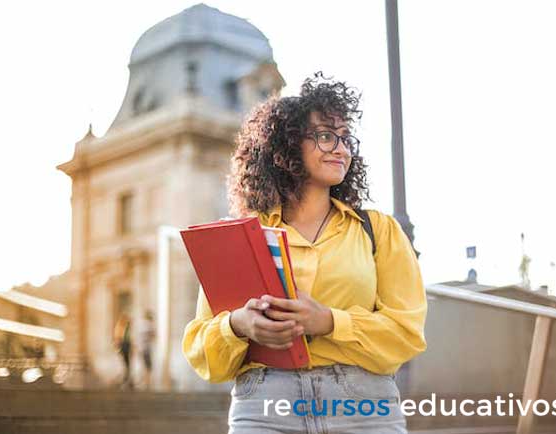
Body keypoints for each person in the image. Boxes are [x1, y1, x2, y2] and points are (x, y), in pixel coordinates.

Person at [182, 72, 428, 433]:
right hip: (265, 408)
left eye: (346, 138)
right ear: (287, 145)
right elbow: (203, 352)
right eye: (326, 136)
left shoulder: (378, 231)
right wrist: (239, 324)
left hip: (362, 407)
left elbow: (407, 334)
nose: (341, 148)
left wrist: (329, 321)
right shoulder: (241, 239)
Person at [113, 312, 133, 389]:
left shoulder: (126, 327)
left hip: (126, 346)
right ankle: (125, 378)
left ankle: (126, 378)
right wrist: (118, 347)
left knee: (127, 363)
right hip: (123, 345)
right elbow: (118, 338)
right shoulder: (120, 326)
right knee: (125, 363)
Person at [140, 310, 156, 390]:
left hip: (143, 348)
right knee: (148, 366)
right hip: (147, 348)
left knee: (146, 365)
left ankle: (146, 382)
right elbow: (153, 335)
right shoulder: (149, 325)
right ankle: (147, 382)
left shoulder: (142, 325)